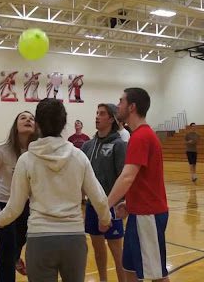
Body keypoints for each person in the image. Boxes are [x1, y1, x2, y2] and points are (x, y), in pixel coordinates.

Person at [0, 98, 111, 282]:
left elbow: (15, 207)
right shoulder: (78, 156)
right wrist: (105, 219)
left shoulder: (26, 159)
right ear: (64, 124)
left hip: (40, 239)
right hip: (74, 239)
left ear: (37, 125)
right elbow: (100, 198)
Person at [107, 88, 170, 282]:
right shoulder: (139, 135)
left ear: (132, 107)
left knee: (156, 275)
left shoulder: (141, 136)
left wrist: (104, 204)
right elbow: (140, 179)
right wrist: (130, 204)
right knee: (130, 270)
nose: (118, 105)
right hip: (139, 213)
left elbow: (127, 177)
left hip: (148, 215)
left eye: (121, 101)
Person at [0, 111, 37, 281]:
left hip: (27, 205)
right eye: (23, 118)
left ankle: (14, 258)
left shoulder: (37, 151)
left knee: (19, 243)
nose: (28, 120)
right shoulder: (1, 149)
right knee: (6, 251)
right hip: (3, 204)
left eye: (32, 118)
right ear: (16, 126)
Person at [81, 103, 127, 282]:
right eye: (96, 113)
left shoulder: (119, 145)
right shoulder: (87, 146)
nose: (97, 116)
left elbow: (124, 177)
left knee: (117, 251)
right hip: (92, 207)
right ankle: (103, 280)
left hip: (113, 206)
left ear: (111, 119)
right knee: (98, 248)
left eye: (102, 113)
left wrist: (121, 203)